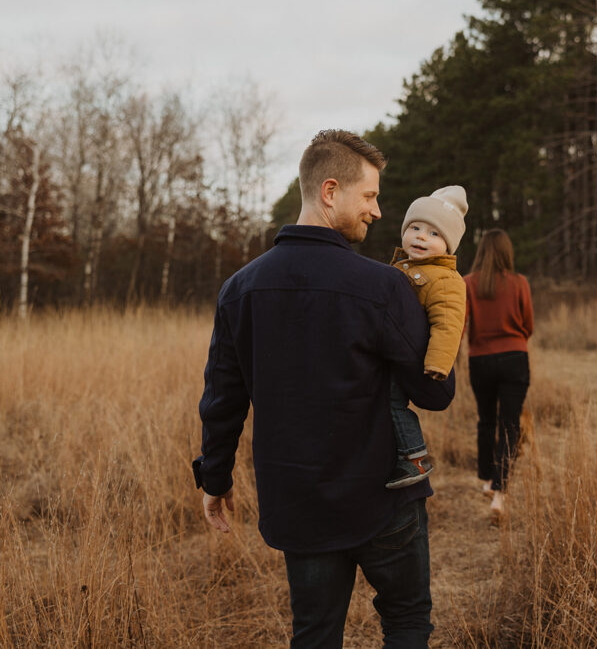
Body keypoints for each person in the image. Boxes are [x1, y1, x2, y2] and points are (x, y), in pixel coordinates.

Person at [193, 129, 455, 648]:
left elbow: (223, 398)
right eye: (371, 195)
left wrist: (215, 478)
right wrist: (445, 318)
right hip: (386, 499)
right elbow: (433, 394)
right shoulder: (384, 287)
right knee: (406, 622)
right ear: (330, 191)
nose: (378, 212)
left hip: (299, 501)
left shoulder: (240, 289)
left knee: (314, 636)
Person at [385, 185, 468, 489]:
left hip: (416, 358)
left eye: (434, 234)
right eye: (415, 228)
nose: (421, 237)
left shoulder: (446, 280)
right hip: (392, 353)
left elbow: (448, 324)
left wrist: (437, 364)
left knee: (393, 402)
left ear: (448, 246)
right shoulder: (400, 268)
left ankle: (413, 456)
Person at [463, 229, 533, 521]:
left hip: (480, 360)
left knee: (486, 421)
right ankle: (500, 495)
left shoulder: (467, 283)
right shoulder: (519, 283)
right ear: (507, 252)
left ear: (481, 251)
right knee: (510, 425)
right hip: (515, 357)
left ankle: (488, 479)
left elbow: (462, 324)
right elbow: (528, 325)